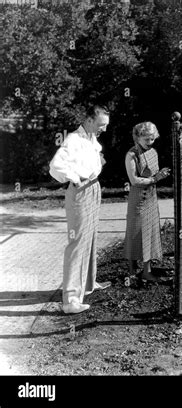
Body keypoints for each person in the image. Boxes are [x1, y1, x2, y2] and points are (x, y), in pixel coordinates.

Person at [49, 105, 112, 314]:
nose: (104, 128)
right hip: (81, 190)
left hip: (94, 187)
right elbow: (55, 166)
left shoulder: (91, 138)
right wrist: (75, 178)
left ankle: (88, 284)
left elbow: (92, 159)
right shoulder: (73, 140)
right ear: (89, 120)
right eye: (101, 124)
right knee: (77, 242)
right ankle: (70, 301)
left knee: (91, 236)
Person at [124, 121, 170, 284]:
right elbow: (134, 180)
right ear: (137, 138)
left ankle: (146, 271)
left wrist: (161, 175)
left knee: (149, 232)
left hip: (151, 196)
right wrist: (154, 178)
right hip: (138, 198)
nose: (150, 143)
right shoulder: (131, 155)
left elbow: (155, 174)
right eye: (147, 140)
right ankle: (131, 272)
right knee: (134, 232)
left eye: (152, 139)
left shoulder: (153, 152)